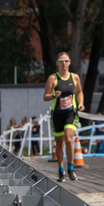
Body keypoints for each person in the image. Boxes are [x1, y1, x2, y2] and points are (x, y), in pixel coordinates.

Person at [43, 51, 84, 182]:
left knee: (69, 139)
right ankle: (61, 170)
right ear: (57, 63)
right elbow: (45, 97)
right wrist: (54, 95)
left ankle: (71, 168)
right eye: (61, 61)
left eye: (66, 61)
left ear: (69, 63)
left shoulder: (75, 77)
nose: (64, 63)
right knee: (59, 143)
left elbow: (79, 92)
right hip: (57, 114)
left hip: (70, 113)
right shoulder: (53, 78)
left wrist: (81, 103)